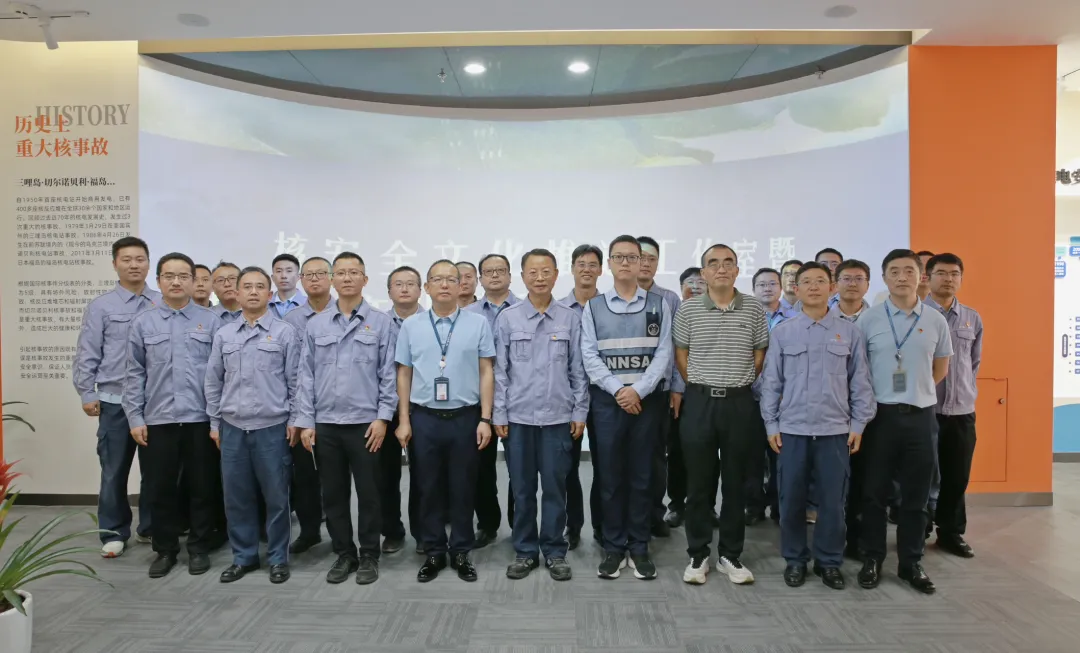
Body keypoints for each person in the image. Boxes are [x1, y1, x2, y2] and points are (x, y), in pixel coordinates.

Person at [760, 262, 875, 590]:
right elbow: (771, 383)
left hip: (835, 431)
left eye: (820, 281)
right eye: (806, 282)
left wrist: (859, 424)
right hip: (792, 430)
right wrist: (771, 424)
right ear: (796, 289)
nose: (813, 287)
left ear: (832, 287)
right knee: (791, 500)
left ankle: (829, 562)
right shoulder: (783, 332)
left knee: (833, 502)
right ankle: (795, 559)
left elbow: (860, 382)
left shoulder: (850, 332)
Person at [296, 252, 397, 585]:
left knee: (370, 494)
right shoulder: (316, 325)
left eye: (354, 272)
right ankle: (344, 553)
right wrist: (306, 421)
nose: (347, 278)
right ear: (332, 279)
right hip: (326, 424)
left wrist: (383, 418)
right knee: (334, 495)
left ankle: (369, 554)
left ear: (365, 280)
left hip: (366, 424)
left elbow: (388, 375)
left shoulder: (381, 323)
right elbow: (305, 376)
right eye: (341, 272)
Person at [855, 249, 952, 595]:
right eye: (894, 271)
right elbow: (859, 369)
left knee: (916, 495)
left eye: (909, 271)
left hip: (921, 417)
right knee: (874, 493)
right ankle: (872, 557)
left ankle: (911, 562)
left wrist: (915, 392)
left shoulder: (935, 320)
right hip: (879, 417)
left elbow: (940, 368)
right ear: (884, 278)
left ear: (920, 276)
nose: (901, 277)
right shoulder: (869, 320)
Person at [395, 260, 495, 583]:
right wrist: (404, 420)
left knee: (464, 486)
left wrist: (485, 418)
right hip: (424, 418)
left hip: (466, 417)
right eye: (437, 279)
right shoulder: (411, 326)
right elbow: (404, 373)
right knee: (427, 487)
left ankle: (461, 551)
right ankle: (434, 551)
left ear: (461, 284)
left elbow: (486, 371)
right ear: (427, 287)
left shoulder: (478, 324)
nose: (444, 285)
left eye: (451, 279)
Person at [675, 243, 768, 586]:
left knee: (736, 483)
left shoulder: (753, 308)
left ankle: (730, 554)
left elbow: (759, 355)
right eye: (713, 263)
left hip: (739, 404)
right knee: (698, 484)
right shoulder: (688, 310)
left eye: (729, 262)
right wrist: (703, 384)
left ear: (738, 270)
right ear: (704, 273)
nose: (722, 268)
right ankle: (698, 553)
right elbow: (681, 356)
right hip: (700, 402)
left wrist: (735, 382)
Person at [124, 252, 221, 578]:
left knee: (202, 487)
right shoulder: (143, 322)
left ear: (194, 281)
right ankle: (165, 550)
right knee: (160, 489)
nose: (176, 282)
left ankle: (199, 547)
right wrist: (135, 417)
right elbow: (134, 374)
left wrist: (217, 420)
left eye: (183, 276)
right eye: (169, 276)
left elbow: (221, 374)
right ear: (158, 281)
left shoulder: (211, 321)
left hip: (200, 420)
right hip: (158, 420)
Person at [581, 235, 672, 580]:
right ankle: (614, 546)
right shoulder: (594, 307)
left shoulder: (658, 304)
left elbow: (664, 353)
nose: (625, 263)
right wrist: (620, 390)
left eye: (632, 257)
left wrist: (639, 390)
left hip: (647, 402)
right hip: (609, 402)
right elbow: (589, 355)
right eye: (618, 257)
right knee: (611, 476)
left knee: (642, 475)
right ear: (609, 264)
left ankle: (639, 546)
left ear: (641, 263)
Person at [496, 249, 588, 581]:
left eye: (546, 271)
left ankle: (554, 550)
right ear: (522, 276)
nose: (539, 278)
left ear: (556, 274)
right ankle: (524, 551)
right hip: (518, 420)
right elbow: (500, 372)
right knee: (521, 490)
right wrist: (498, 414)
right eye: (532, 272)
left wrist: (580, 410)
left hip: (557, 419)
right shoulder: (507, 319)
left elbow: (578, 371)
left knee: (554, 488)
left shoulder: (570, 318)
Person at [204, 266, 301, 585]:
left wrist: (295, 420)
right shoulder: (224, 335)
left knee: (277, 498)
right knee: (236, 497)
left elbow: (296, 381)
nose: (254, 292)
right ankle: (243, 557)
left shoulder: (285, 333)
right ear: (237, 293)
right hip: (232, 427)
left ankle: (278, 558)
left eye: (260, 286)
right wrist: (215, 422)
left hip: (272, 428)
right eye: (247, 286)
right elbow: (213, 382)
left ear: (270, 295)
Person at [74, 236, 160, 558]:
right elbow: (87, 352)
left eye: (140, 259)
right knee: (113, 472)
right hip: (114, 402)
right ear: (115, 264)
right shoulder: (101, 306)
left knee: (156, 472)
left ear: (148, 263)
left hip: (156, 404)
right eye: (127, 259)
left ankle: (150, 527)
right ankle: (113, 532)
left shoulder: (162, 303)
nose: (134, 265)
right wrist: (87, 391)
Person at [924, 253, 982, 559]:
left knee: (957, 476)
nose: (948, 279)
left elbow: (974, 363)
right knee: (921, 475)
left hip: (961, 411)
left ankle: (950, 533)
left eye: (954, 274)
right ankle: (918, 530)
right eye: (942, 273)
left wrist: (966, 392)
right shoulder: (917, 316)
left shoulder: (972, 318)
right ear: (927, 277)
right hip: (926, 411)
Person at [465, 253, 521, 546]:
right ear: (480, 278)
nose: (495, 275)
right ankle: (487, 524)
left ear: (510, 275)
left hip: (518, 399)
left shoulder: (525, 309)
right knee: (481, 467)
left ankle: (519, 524)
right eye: (489, 271)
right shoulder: (467, 314)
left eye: (501, 270)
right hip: (478, 401)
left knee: (519, 468)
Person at [282, 256, 335, 555]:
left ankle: (340, 534)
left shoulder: (345, 313)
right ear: (301, 280)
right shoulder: (290, 320)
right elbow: (290, 371)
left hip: (335, 409)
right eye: (309, 274)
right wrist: (296, 414)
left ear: (332, 278)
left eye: (320, 273)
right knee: (304, 477)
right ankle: (310, 531)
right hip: (302, 410)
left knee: (337, 479)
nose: (314, 279)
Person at [636, 236, 684, 539]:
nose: (645, 263)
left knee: (656, 458)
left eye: (651, 258)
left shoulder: (669, 299)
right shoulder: (611, 299)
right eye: (639, 257)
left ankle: (655, 514)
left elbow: (679, 347)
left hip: (659, 392)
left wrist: (677, 388)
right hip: (623, 393)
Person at [665, 265, 716, 529]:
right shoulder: (675, 315)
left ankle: (708, 506)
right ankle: (676, 505)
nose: (695, 288)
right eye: (690, 283)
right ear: (681, 288)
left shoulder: (716, 315)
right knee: (677, 452)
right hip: (680, 396)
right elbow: (672, 357)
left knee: (710, 454)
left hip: (709, 396)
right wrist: (677, 388)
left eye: (700, 283)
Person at [560, 244, 603, 548]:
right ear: (572, 268)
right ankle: (572, 526)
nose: (586, 269)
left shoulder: (609, 307)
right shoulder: (559, 309)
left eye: (592, 264)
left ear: (601, 269)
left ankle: (602, 526)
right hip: (567, 398)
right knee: (567, 468)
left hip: (604, 397)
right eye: (581, 264)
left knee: (605, 467)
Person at [745, 267, 796, 526]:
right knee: (751, 457)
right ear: (753, 289)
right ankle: (753, 506)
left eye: (772, 283)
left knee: (782, 457)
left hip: (784, 400)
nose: (767, 288)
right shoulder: (745, 317)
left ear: (781, 286)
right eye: (761, 284)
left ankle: (779, 505)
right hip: (750, 398)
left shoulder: (796, 318)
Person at [382, 265, 426, 555]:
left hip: (421, 408)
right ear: (389, 291)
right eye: (398, 284)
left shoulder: (432, 322)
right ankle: (392, 531)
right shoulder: (377, 323)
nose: (405, 288)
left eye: (411, 283)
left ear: (421, 290)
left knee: (423, 475)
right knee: (385, 476)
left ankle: (423, 532)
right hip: (385, 409)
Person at [269, 253, 305, 318]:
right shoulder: (263, 305)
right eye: (279, 271)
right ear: (272, 277)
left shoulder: (309, 304)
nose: (283, 276)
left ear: (298, 277)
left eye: (289, 271)